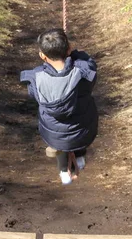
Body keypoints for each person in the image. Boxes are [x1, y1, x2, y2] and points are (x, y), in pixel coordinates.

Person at [20, 28, 98, 185]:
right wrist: (74, 55)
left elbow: (33, 94)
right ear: (68, 49)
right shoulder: (82, 70)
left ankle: (64, 171)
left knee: (60, 139)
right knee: (79, 124)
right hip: (84, 130)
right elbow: (89, 62)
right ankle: (80, 157)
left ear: (42, 55)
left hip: (53, 134)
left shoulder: (36, 76)